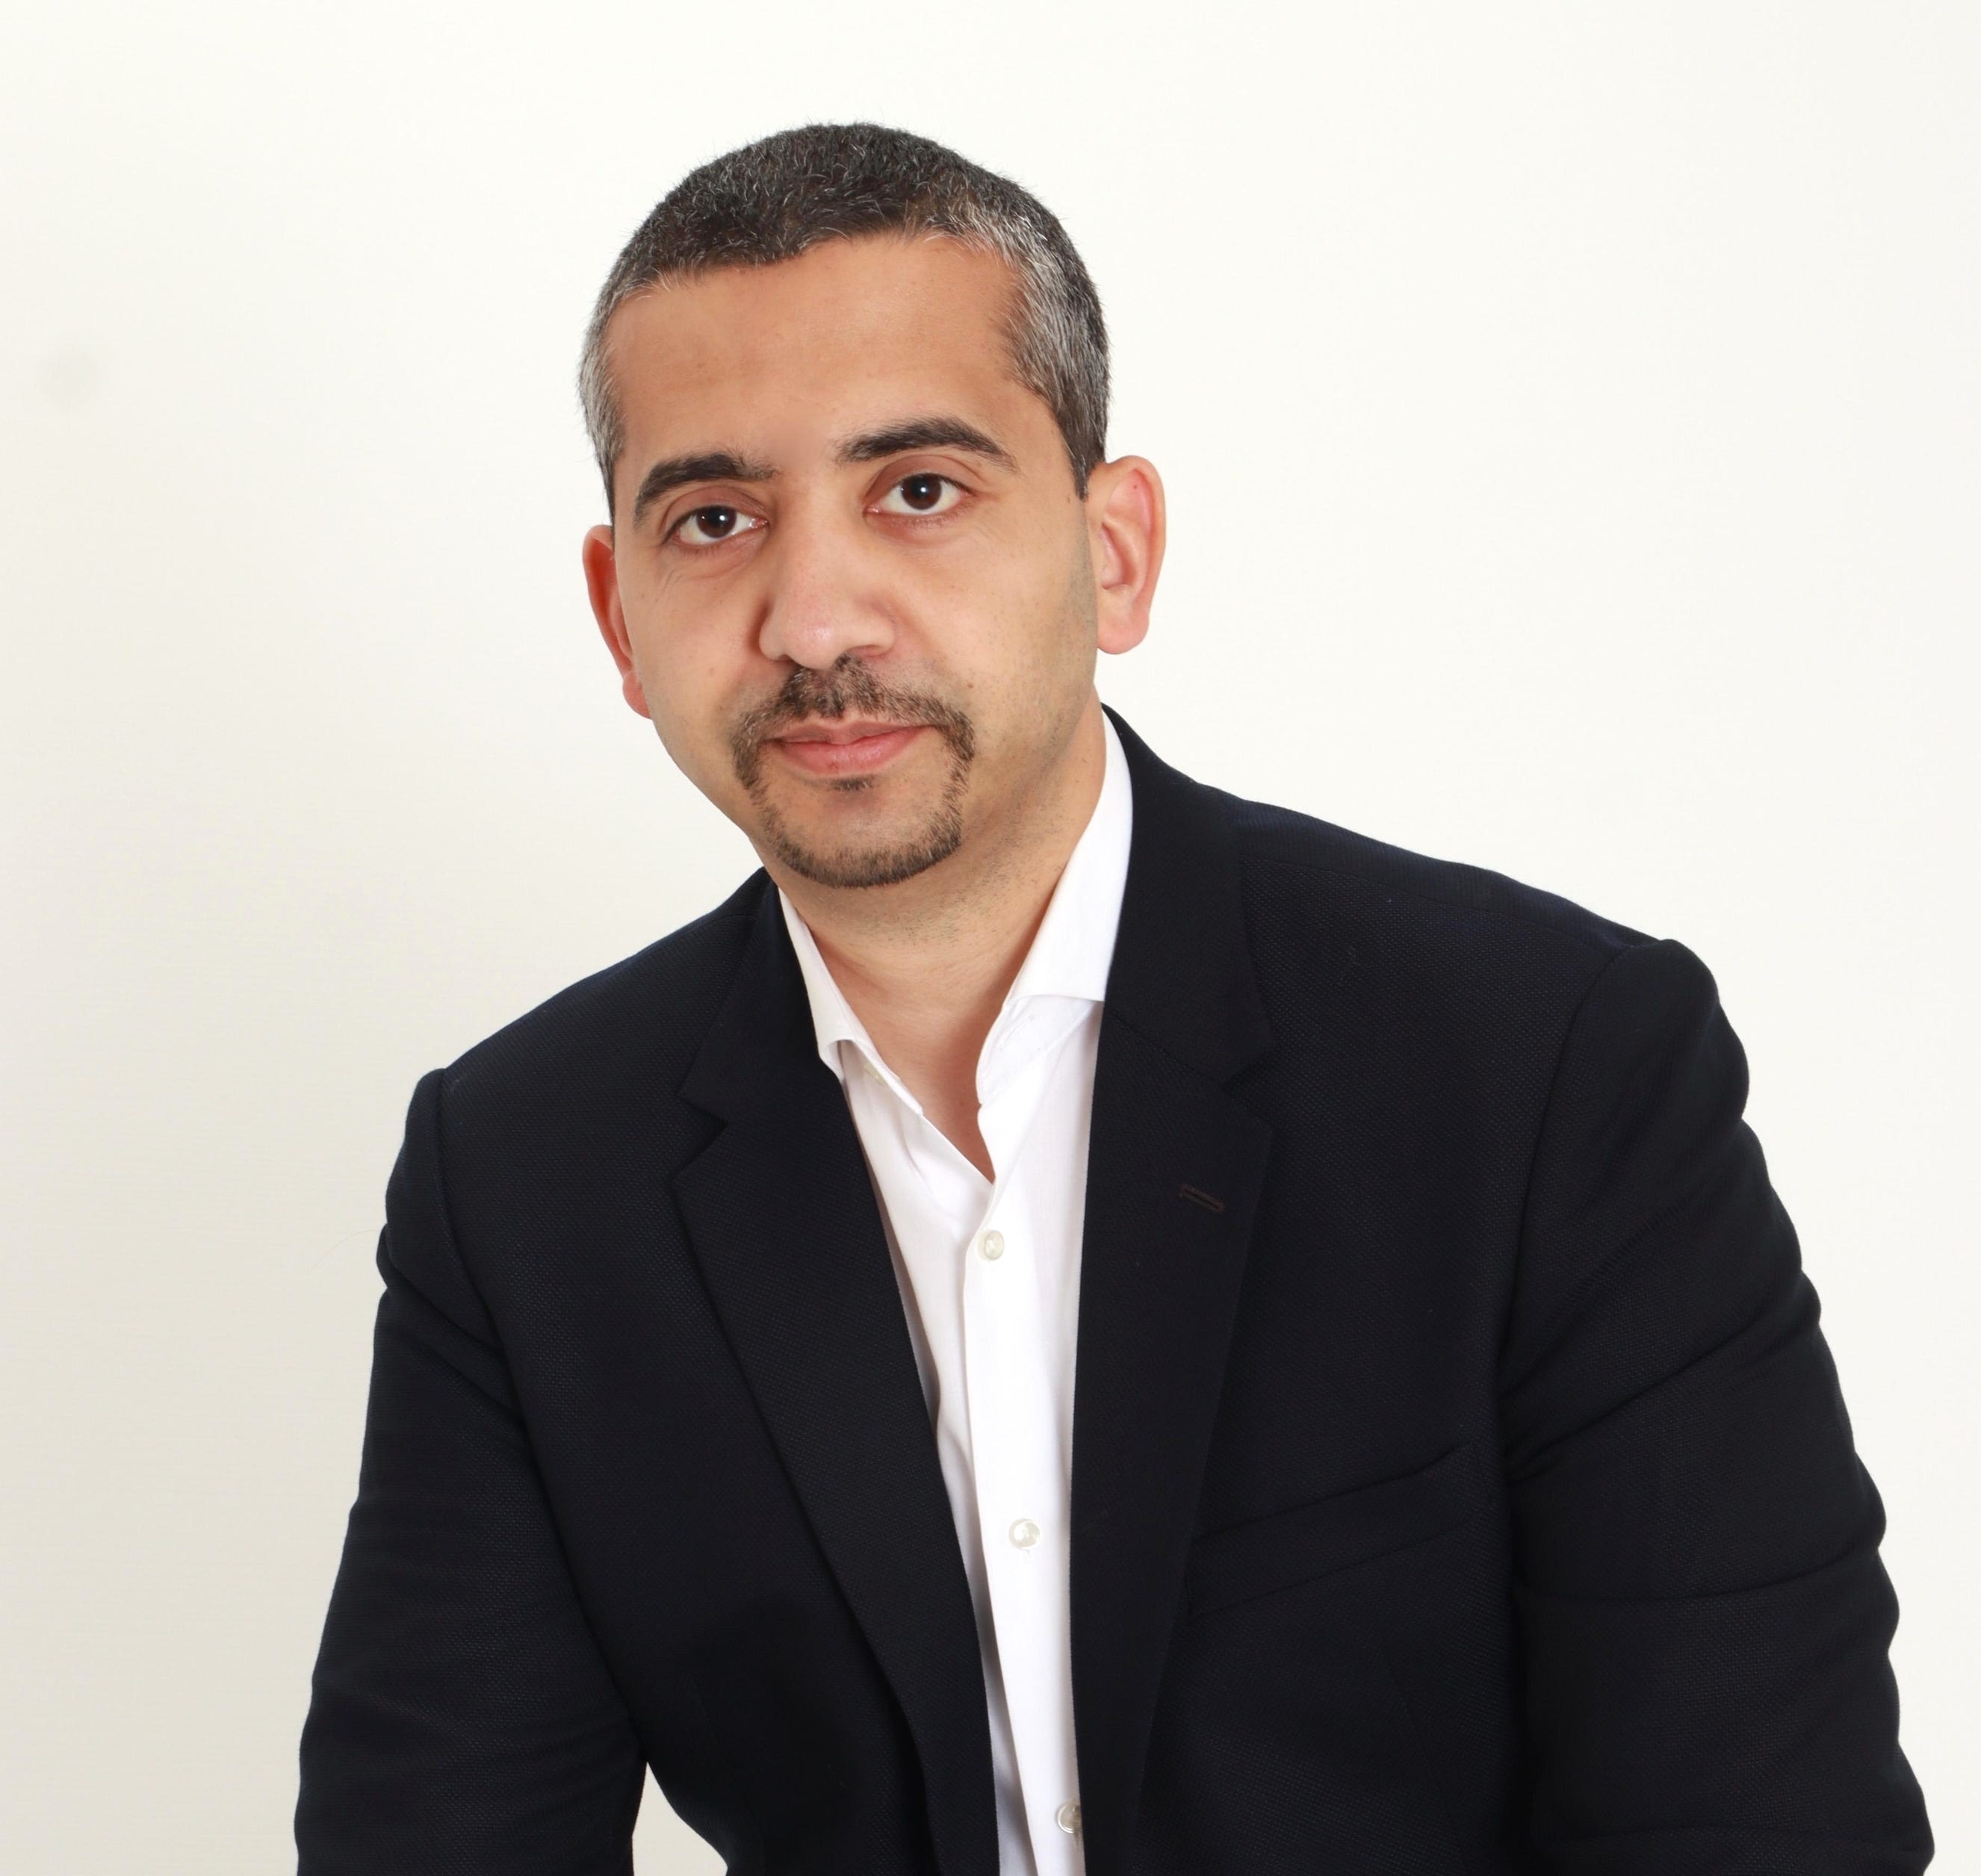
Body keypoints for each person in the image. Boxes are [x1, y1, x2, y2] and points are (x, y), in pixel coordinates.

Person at [294, 122, 1932, 1875]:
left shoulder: (1546, 1067)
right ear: (621, 615)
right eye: (715, 519)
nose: (816, 617)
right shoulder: (526, 1174)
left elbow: (1763, 1832)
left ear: (1117, 548)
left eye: (920, 489)